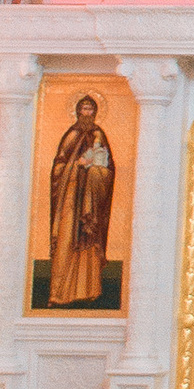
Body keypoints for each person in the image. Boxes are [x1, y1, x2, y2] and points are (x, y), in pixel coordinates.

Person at [45, 91, 118, 308]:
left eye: (91, 109)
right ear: (78, 111)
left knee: (89, 241)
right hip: (70, 199)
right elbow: (58, 166)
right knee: (66, 240)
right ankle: (59, 294)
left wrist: (96, 170)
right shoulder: (71, 135)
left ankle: (89, 290)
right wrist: (75, 166)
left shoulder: (99, 135)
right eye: (84, 109)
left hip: (90, 204)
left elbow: (109, 168)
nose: (87, 113)